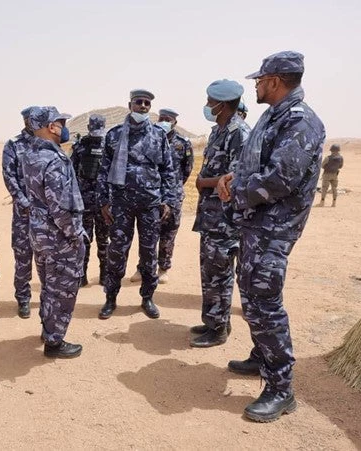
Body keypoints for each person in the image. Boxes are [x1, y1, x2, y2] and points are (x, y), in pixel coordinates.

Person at [217, 51, 325, 422]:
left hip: (274, 228)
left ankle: (281, 388)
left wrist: (237, 191)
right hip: (256, 224)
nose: (257, 86)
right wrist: (236, 176)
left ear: (275, 81)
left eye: (260, 80)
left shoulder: (300, 122)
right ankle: (261, 356)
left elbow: (282, 179)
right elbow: (258, 162)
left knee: (264, 300)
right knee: (249, 291)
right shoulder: (275, 116)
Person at [97, 89, 176, 320]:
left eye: (147, 104)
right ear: (130, 104)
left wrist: (168, 200)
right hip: (121, 204)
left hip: (150, 204)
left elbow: (167, 170)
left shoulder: (159, 136)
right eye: (139, 102)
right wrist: (103, 201)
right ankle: (110, 299)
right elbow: (103, 171)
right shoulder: (114, 135)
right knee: (117, 252)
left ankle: (147, 298)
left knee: (149, 253)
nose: (143, 106)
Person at [190, 80, 251, 348]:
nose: (206, 106)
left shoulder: (239, 133)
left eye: (209, 101)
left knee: (220, 272)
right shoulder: (219, 131)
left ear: (222, 105)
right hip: (212, 215)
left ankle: (218, 330)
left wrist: (204, 183)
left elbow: (236, 179)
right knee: (211, 270)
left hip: (226, 218)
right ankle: (214, 320)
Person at [22, 106, 85, 358]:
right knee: (63, 289)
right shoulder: (53, 159)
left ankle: (48, 329)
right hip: (60, 237)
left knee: (49, 286)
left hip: (40, 234)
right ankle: (55, 341)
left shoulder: (30, 154)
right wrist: (75, 233)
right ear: (51, 127)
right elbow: (61, 205)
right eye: (61, 122)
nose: (63, 127)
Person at [129, 108, 194, 284]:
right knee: (147, 233)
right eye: (162, 118)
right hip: (152, 194)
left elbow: (187, 170)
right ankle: (142, 268)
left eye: (168, 119)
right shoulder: (151, 138)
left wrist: (173, 188)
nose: (164, 121)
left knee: (168, 233)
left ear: (175, 122)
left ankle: (164, 268)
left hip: (173, 196)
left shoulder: (183, 143)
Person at [2, 106, 36, 318]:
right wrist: (24, 203)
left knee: (48, 258)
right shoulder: (13, 145)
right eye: (30, 119)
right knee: (23, 257)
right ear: (25, 121)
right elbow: (9, 176)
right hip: (24, 213)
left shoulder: (48, 143)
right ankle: (23, 299)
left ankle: (48, 298)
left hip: (47, 213)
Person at [70, 114, 109, 287]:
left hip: (103, 204)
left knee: (103, 240)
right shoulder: (79, 147)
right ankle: (82, 276)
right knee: (84, 240)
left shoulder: (109, 147)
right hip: (85, 202)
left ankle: (104, 275)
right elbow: (71, 172)